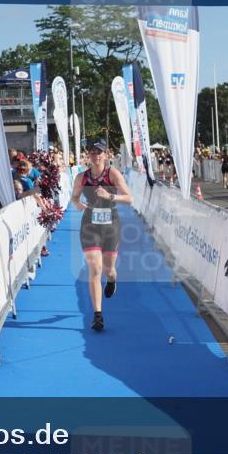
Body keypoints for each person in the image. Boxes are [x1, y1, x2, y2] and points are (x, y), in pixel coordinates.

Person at [70, 139, 132, 332]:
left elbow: (129, 198)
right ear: (88, 155)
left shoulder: (112, 174)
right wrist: (77, 203)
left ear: (106, 155)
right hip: (90, 226)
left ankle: (113, 279)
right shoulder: (81, 177)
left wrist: (110, 196)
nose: (96, 155)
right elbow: (74, 197)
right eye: (93, 152)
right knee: (95, 269)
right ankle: (98, 316)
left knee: (108, 270)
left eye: (99, 152)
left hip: (110, 226)